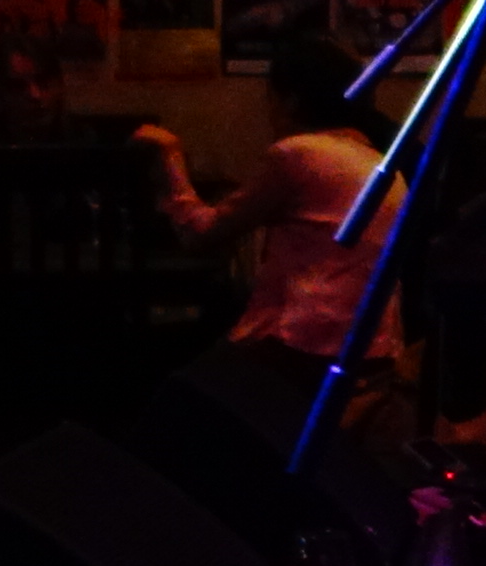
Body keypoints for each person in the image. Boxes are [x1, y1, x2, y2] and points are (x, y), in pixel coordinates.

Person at [137, 31, 404, 366]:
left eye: (270, 98)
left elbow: (200, 234)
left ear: (290, 101)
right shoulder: (383, 167)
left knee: (170, 371)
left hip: (299, 349)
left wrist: (169, 154)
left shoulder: (299, 154)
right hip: (370, 354)